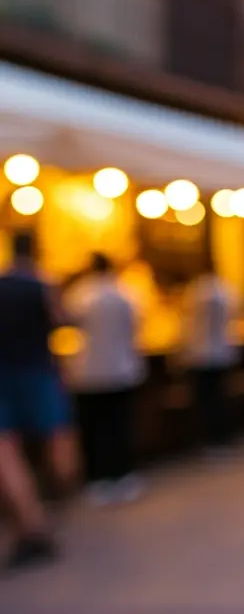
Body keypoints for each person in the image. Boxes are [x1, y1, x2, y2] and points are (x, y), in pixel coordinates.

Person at [0, 232, 75, 570]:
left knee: (5, 448)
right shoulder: (44, 285)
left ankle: (32, 518)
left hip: (4, 373)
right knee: (57, 435)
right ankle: (58, 496)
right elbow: (61, 320)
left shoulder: (2, 285)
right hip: (41, 371)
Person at [63, 253, 146, 505]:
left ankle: (99, 478)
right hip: (121, 369)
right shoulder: (126, 293)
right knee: (119, 425)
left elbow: (66, 321)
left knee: (95, 428)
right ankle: (124, 474)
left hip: (90, 372)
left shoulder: (81, 293)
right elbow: (137, 325)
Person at [181, 255, 238, 455]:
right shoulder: (227, 290)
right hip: (222, 352)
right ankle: (222, 439)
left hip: (200, 354)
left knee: (205, 400)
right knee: (220, 398)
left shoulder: (194, 292)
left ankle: (208, 440)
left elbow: (185, 323)